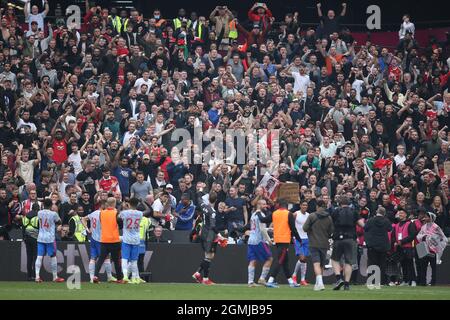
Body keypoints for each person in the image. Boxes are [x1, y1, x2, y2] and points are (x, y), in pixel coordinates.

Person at [260, 199, 302, 288]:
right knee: (280, 261)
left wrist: (258, 212)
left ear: (279, 206)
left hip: (277, 239)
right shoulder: (288, 214)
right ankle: (270, 280)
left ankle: (291, 282)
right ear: (286, 206)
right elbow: (293, 229)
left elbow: (263, 220)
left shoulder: (275, 213)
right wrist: (299, 240)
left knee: (285, 261)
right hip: (285, 240)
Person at [330, 196, 365, 291]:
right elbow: (362, 224)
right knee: (348, 262)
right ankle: (346, 284)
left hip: (338, 238)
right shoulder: (354, 212)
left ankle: (338, 278)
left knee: (334, 259)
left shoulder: (336, 211)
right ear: (349, 203)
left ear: (339, 203)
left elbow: (331, 224)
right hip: (350, 238)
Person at [192, 191, 223, 285]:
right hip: (210, 235)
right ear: (216, 200)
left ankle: (198, 273)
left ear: (208, 199)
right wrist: (219, 235)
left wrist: (201, 191)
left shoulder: (204, 206)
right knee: (209, 256)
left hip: (204, 233)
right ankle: (205, 278)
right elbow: (213, 226)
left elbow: (198, 198)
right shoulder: (212, 212)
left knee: (209, 256)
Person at [303, 200, 334, 291]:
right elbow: (331, 231)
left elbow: (305, 228)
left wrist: (310, 231)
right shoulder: (329, 217)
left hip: (313, 243)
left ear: (317, 206)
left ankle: (320, 283)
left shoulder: (312, 215)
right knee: (321, 264)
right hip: (324, 244)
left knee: (316, 263)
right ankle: (318, 283)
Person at [82, 202, 116, 283]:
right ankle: (109, 277)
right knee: (106, 257)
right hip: (101, 239)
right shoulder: (103, 214)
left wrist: (87, 229)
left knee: (93, 258)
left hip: (93, 238)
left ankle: (91, 278)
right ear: (103, 206)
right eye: (106, 205)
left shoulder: (93, 213)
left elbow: (83, 218)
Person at [93, 197, 124, 283]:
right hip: (114, 240)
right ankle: (119, 278)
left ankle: (95, 276)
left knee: (101, 259)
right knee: (116, 260)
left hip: (104, 239)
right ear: (114, 203)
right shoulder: (116, 213)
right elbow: (120, 225)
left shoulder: (101, 213)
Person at [35, 198, 64, 283]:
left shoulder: (39, 213)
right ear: (51, 205)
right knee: (53, 256)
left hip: (40, 237)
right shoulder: (54, 214)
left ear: (43, 205)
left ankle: (37, 277)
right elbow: (59, 221)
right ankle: (55, 277)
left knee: (39, 257)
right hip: (50, 238)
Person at [416, 211, 448, 286]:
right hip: (424, 249)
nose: (425, 218)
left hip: (433, 250)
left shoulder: (436, 226)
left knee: (433, 267)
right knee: (423, 266)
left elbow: (443, 237)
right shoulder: (423, 226)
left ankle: (433, 282)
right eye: (425, 217)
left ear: (431, 218)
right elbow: (418, 236)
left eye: (427, 217)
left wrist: (435, 240)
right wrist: (423, 237)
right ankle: (423, 282)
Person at [364, 206, 393, 286]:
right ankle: (382, 281)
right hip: (383, 245)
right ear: (384, 213)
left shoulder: (371, 220)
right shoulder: (386, 221)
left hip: (372, 245)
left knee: (372, 263)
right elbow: (390, 229)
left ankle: (371, 281)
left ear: (377, 212)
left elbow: (365, 228)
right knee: (382, 264)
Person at [247, 199, 273, 287]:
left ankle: (250, 282)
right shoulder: (260, 215)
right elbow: (262, 230)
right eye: (263, 204)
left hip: (251, 240)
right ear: (258, 205)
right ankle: (262, 278)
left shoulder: (253, 214)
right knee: (269, 259)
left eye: (266, 204)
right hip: (259, 241)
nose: (265, 206)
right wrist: (269, 240)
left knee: (253, 260)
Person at [118, 198, 143, 284]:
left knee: (124, 258)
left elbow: (118, 216)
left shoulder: (124, 212)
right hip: (136, 239)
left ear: (129, 204)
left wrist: (123, 206)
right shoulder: (140, 213)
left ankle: (125, 276)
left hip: (126, 239)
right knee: (134, 260)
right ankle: (134, 278)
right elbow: (148, 210)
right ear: (138, 204)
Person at [392, 209, 417, 286]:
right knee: (403, 265)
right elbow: (393, 236)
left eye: (402, 213)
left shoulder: (410, 224)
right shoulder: (396, 225)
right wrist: (395, 242)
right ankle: (405, 280)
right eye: (399, 213)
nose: (400, 214)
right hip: (399, 248)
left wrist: (402, 241)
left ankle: (413, 280)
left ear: (406, 215)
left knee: (410, 264)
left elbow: (412, 235)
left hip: (408, 247)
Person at [16, 203, 40, 281]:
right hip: (35, 239)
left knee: (29, 257)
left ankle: (29, 276)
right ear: (38, 209)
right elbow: (40, 229)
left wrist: (24, 238)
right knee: (35, 257)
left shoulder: (25, 216)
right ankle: (34, 275)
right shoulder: (38, 216)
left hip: (27, 239)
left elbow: (23, 229)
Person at [292, 201, 310, 286]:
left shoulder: (308, 215)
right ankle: (294, 275)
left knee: (305, 259)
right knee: (302, 257)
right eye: (303, 205)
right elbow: (291, 224)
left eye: (306, 205)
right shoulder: (296, 214)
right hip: (298, 238)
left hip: (306, 238)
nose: (305, 206)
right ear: (300, 206)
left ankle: (302, 279)